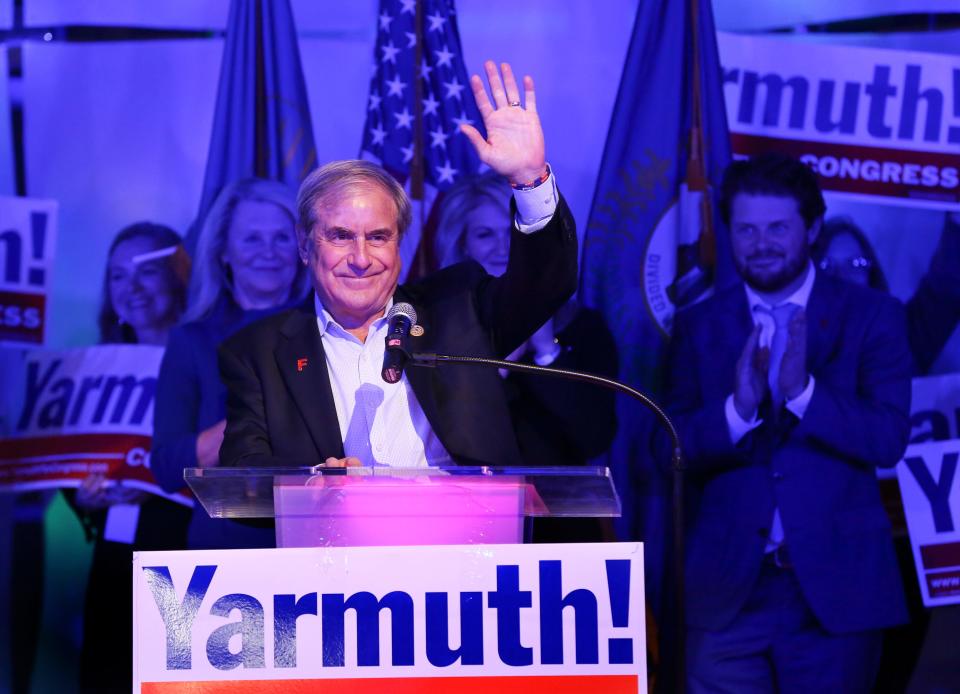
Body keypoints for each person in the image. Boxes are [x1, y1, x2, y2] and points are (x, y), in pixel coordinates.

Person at [217, 61, 577, 478]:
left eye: (377, 237)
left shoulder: (459, 310)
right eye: (339, 236)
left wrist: (529, 178)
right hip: (334, 539)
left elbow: (548, 282)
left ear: (399, 242)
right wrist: (312, 483)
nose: (361, 258)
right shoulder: (256, 352)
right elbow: (244, 474)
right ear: (303, 243)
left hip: (469, 537)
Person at [664, 153, 910, 692]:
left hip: (836, 593)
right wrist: (737, 412)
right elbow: (664, 448)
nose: (761, 243)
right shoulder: (697, 326)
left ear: (813, 228)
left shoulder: (873, 315)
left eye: (778, 227)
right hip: (726, 595)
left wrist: (804, 394)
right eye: (746, 229)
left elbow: (887, 438)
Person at [434, 171, 617, 540]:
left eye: (511, 233)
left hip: (562, 530)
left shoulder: (583, 328)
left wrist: (547, 352)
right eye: (485, 234)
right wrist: (499, 369)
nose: (503, 248)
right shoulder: (433, 329)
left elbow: (595, 438)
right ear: (461, 245)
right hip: (463, 524)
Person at [151, 178, 310, 549]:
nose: (268, 252)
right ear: (223, 251)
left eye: (282, 238)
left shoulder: (328, 328)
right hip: (227, 547)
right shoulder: (192, 340)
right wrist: (252, 418)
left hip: (318, 542)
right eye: (252, 239)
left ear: (302, 248)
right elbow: (166, 466)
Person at [70, 221, 191, 693]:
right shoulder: (90, 370)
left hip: (184, 555)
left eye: (147, 272)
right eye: (117, 275)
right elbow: (69, 467)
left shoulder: (209, 361)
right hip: (114, 558)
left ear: (179, 275)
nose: (131, 288)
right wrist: (86, 496)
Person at [812, 213, 960, 375]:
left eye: (856, 263)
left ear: (871, 275)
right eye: (826, 265)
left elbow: (945, 289)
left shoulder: (902, 339)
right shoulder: (789, 343)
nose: (842, 276)